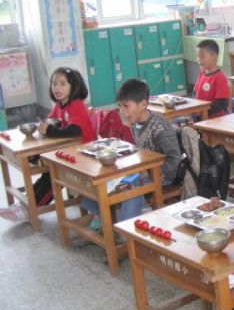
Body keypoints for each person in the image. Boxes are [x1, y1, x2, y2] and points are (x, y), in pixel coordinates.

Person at [81, 79, 181, 232]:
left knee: (131, 187)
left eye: (126, 106)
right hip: (144, 169)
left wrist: (150, 171)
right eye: (120, 106)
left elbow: (174, 159)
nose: (122, 111)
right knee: (105, 178)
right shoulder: (135, 123)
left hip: (163, 174)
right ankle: (101, 214)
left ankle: (126, 232)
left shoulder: (159, 126)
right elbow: (141, 151)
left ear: (143, 104)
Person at [0, 68, 96, 222]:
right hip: (69, 152)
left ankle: (32, 209)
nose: (57, 88)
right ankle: (26, 202)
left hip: (84, 155)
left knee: (54, 174)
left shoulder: (76, 105)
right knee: (48, 172)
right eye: (54, 83)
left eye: (63, 84)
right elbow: (49, 121)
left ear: (74, 86)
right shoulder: (60, 104)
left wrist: (49, 130)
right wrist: (43, 126)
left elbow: (74, 130)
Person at [194, 39, 230, 118]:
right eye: (198, 56)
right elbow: (195, 95)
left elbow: (221, 104)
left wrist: (203, 112)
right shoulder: (201, 74)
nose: (199, 59)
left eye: (202, 56)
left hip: (215, 120)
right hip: (201, 117)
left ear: (214, 57)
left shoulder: (220, 78)